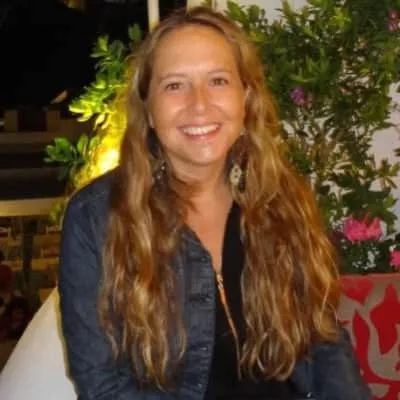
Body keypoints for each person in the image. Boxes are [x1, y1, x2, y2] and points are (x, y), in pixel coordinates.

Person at [59, 6, 371, 400]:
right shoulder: (96, 217)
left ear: (246, 97)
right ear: (148, 109)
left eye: (218, 80)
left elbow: (324, 343)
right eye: (175, 85)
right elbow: (104, 388)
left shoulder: (282, 198)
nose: (200, 104)